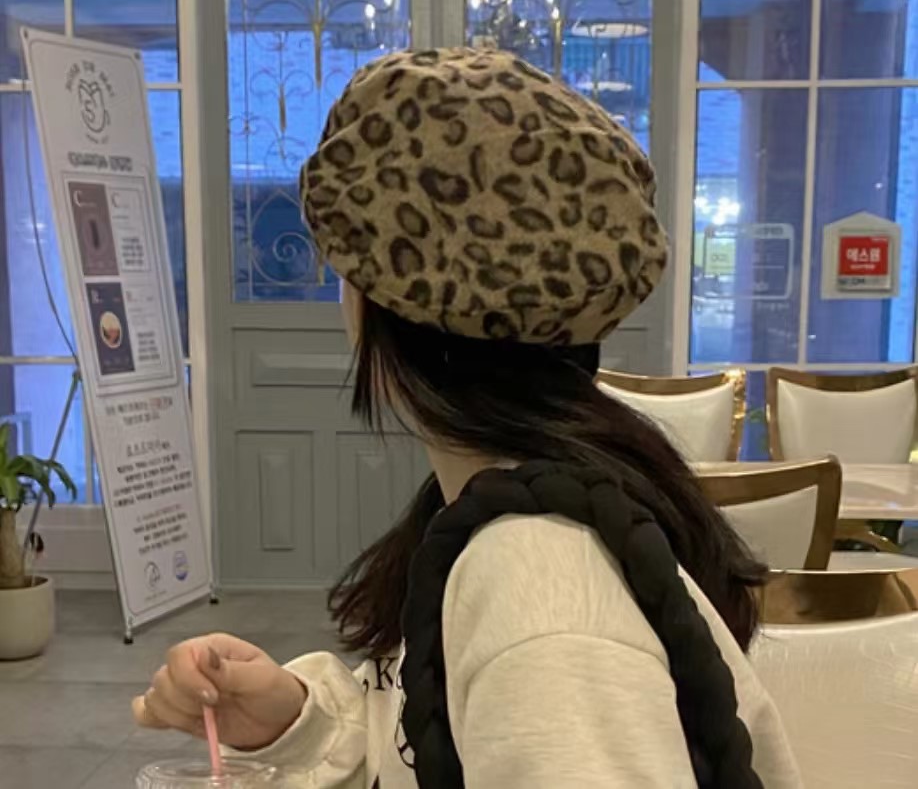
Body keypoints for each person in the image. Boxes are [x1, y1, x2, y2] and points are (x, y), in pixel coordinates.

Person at [133, 48, 802, 788]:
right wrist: (297, 720)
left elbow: (540, 699)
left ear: (375, 303)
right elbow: (447, 742)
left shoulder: (539, 596)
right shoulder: (518, 514)